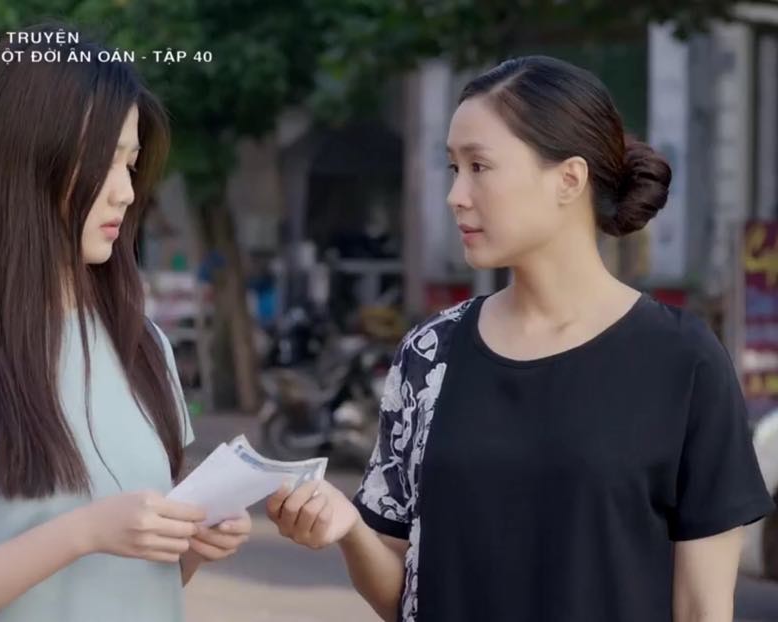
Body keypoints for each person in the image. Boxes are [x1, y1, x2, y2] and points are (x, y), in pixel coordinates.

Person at [267, 55, 774, 622]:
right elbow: (402, 595)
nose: (456, 194)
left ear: (569, 179)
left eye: (479, 166)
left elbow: (703, 608)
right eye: (453, 168)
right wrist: (349, 529)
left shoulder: (682, 360)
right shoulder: (430, 354)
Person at [0, 25, 250, 622]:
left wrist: (193, 542)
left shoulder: (143, 344)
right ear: (29, 161)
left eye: (132, 164)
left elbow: (140, 585)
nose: (126, 192)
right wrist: (80, 534)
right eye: (106, 163)